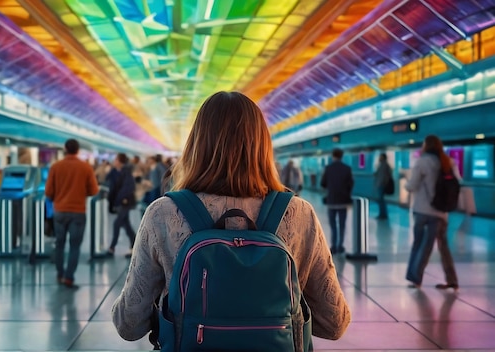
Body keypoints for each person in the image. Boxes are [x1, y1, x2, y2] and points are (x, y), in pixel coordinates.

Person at [111, 91, 350, 349]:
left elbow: (130, 324)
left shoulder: (164, 213)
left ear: (196, 146)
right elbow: (334, 323)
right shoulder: (298, 213)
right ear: (263, 146)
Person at [404, 135, 458, 290]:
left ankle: (415, 278)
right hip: (441, 213)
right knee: (443, 246)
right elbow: (457, 182)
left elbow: (412, 185)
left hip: (423, 210)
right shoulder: (448, 162)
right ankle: (452, 279)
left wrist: (407, 185)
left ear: (426, 146)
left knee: (420, 244)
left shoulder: (422, 162)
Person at [45, 139, 99, 288]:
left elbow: (48, 192)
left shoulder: (56, 167)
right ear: (77, 150)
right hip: (78, 212)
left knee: (60, 244)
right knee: (75, 246)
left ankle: (59, 273)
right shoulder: (85, 167)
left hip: (60, 212)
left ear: (65, 149)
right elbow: (94, 190)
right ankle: (69, 277)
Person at [320, 148, 354, 254]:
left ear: (333, 156)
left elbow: (323, 183)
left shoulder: (328, 168)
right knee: (342, 224)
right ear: (342, 156)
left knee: (333, 225)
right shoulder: (347, 168)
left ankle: (333, 246)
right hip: (343, 201)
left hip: (332, 201)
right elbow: (351, 184)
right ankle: (340, 245)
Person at [106, 153, 137, 258]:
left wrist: (121, 198)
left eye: (116, 160)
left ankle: (112, 248)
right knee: (126, 225)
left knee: (117, 223)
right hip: (119, 202)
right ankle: (136, 245)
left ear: (119, 161)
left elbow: (128, 187)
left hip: (125, 202)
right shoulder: (115, 172)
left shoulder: (126, 172)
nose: (114, 161)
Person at [374, 153, 392, 220]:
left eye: (380, 157)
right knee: (381, 200)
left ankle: (382, 214)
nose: (379, 158)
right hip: (381, 184)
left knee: (381, 200)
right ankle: (383, 214)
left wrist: (383, 183)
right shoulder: (383, 165)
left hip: (381, 185)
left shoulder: (383, 165)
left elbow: (383, 176)